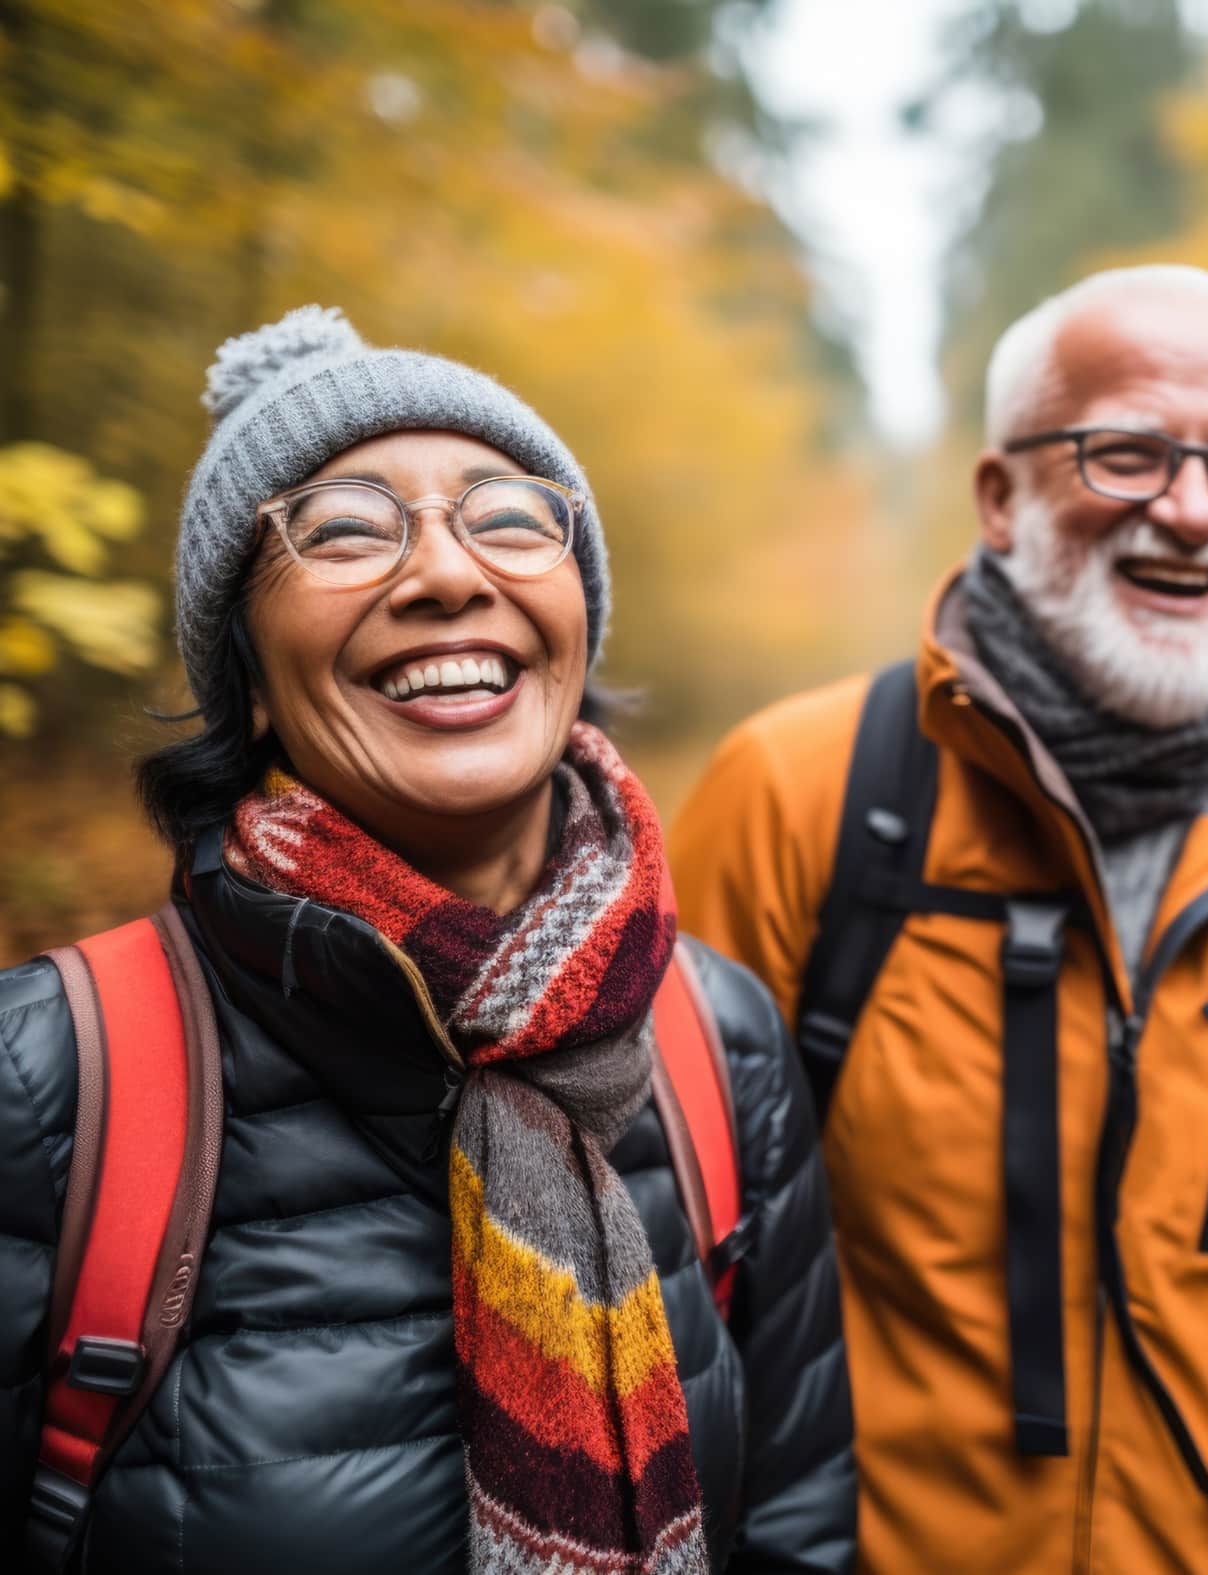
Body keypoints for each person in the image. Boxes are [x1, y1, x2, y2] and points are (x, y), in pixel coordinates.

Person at [0, 307, 855, 1573]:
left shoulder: (715, 1039)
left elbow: (793, 1529)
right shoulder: (47, 1084)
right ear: (241, 671)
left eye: (508, 517)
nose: (450, 575)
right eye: (345, 530)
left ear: (577, 620)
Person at [671, 264, 1208, 1573]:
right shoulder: (806, 796)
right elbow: (668, 1280)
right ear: (998, 497)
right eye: (1127, 453)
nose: (1193, 509)